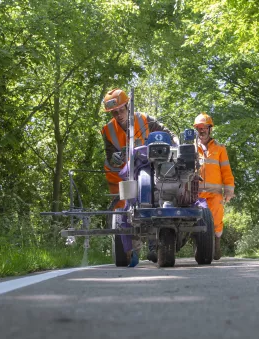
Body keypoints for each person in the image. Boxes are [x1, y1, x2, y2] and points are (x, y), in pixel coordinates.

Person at [101, 88, 178, 266]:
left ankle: (154, 245)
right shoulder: (108, 130)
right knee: (126, 211)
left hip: (150, 169)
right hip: (125, 173)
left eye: (121, 110)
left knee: (153, 199)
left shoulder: (144, 119)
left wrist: (176, 142)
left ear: (128, 106)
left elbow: (167, 133)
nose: (119, 115)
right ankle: (131, 251)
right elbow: (109, 153)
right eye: (114, 112)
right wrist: (114, 156)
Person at [193, 112, 235, 260]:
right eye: (199, 128)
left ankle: (216, 244)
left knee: (216, 220)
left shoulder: (219, 148)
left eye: (204, 127)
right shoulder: (190, 148)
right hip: (195, 194)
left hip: (214, 193)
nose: (201, 130)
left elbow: (226, 171)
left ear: (210, 129)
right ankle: (200, 247)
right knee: (195, 221)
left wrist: (229, 191)